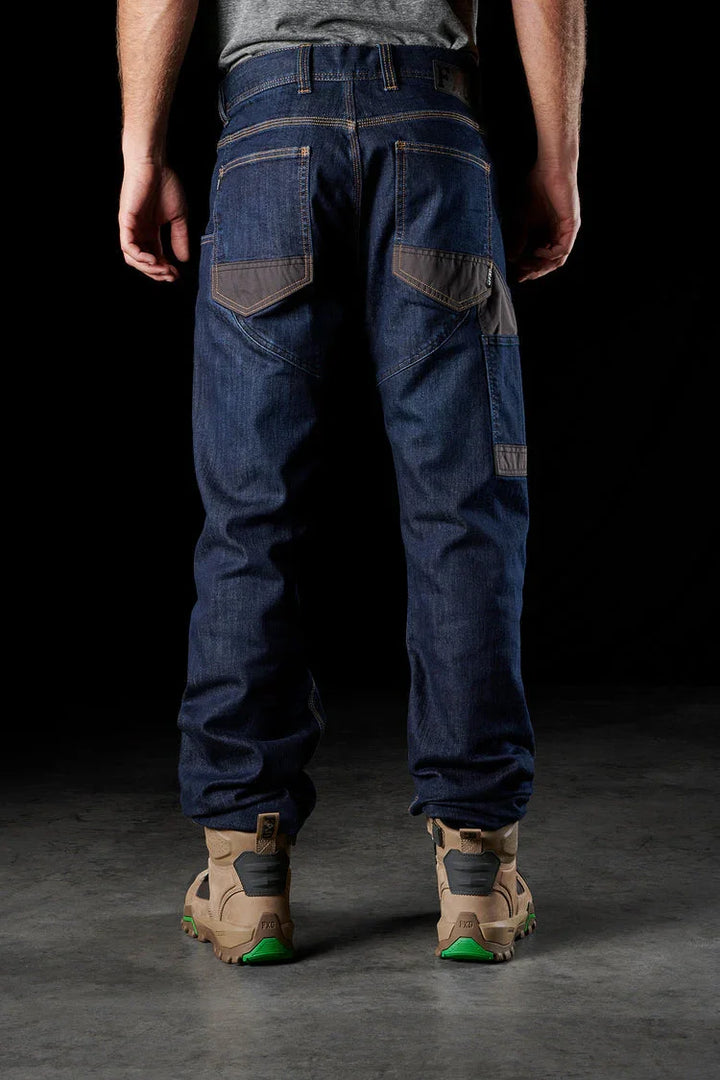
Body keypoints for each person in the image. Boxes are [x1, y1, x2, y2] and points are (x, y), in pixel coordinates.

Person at [117, 0, 585, 965]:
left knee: (251, 515)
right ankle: (477, 872)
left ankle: (246, 876)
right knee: (464, 510)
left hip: (266, 132)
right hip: (433, 127)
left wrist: (142, 148)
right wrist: (558, 156)